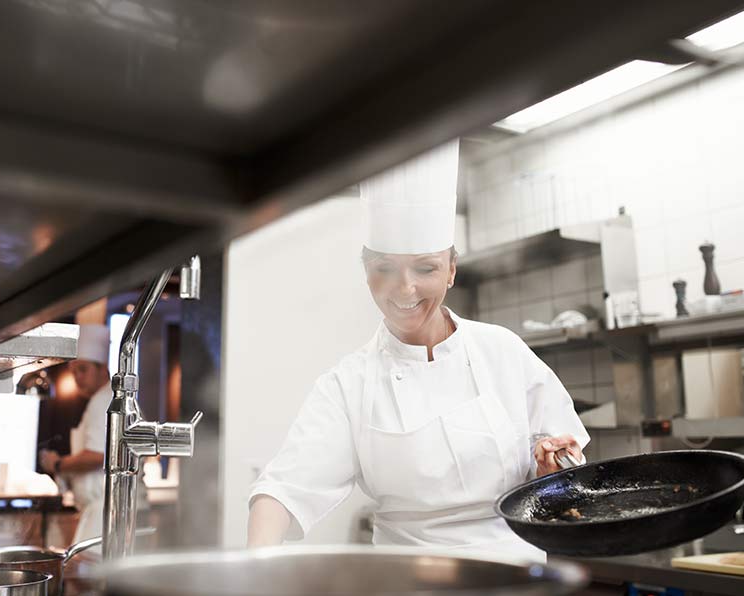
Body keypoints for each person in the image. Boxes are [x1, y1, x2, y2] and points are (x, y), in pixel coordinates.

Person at [247, 140, 590, 561]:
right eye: (385, 269)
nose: (404, 289)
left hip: (514, 575)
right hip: (406, 579)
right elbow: (284, 488)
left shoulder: (503, 351)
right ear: (366, 274)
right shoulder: (349, 383)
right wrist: (252, 568)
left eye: (425, 268)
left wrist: (553, 468)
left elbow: (568, 469)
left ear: (450, 271)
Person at [39, 324, 113, 544]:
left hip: (105, 510)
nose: (78, 377)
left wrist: (58, 464)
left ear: (103, 368)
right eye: (73, 371)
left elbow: (98, 456)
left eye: (83, 369)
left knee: (85, 576)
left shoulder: (103, 401)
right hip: (101, 509)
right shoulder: (100, 399)